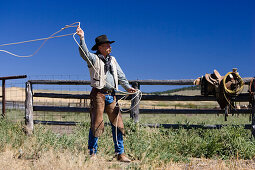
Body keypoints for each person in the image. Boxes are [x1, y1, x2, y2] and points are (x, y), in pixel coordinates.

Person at [76, 26, 136, 162]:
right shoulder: (93, 59)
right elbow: (83, 53)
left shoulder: (113, 60)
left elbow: (121, 75)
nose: (110, 47)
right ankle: (92, 153)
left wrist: (127, 87)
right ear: (100, 47)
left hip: (112, 95)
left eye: (109, 45)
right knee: (97, 123)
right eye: (107, 45)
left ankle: (120, 153)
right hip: (98, 94)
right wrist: (82, 38)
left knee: (118, 124)